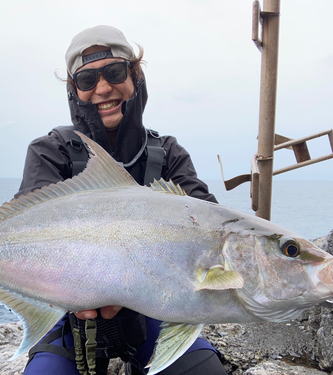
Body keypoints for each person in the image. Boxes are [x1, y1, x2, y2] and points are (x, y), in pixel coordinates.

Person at [16, 25, 227, 375]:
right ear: (75, 91)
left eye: (114, 72)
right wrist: (72, 296)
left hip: (159, 311)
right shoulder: (49, 151)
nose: (102, 89)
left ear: (135, 76)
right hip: (68, 320)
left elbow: (210, 226)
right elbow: (26, 231)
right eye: (86, 80)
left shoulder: (168, 153)